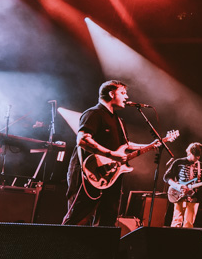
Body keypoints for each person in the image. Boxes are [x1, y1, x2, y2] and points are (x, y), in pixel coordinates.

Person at [62, 80, 150, 227]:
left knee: (108, 218)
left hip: (110, 177)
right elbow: (83, 140)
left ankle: (99, 249)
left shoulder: (119, 121)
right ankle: (62, 248)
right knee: (79, 216)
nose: (126, 97)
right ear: (111, 93)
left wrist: (152, 145)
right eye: (123, 93)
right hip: (88, 173)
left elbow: (126, 145)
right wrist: (110, 154)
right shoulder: (94, 113)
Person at [165, 142, 202, 228]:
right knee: (176, 221)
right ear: (190, 152)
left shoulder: (201, 165)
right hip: (179, 194)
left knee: (189, 223)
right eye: (196, 155)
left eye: (199, 155)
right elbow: (166, 177)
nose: (198, 157)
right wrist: (178, 186)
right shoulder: (179, 162)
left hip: (194, 197)